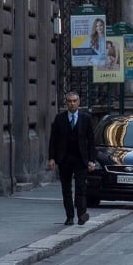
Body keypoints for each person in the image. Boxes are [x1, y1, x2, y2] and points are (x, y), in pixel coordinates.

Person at [48, 91, 96, 226]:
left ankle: (82, 214)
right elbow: (53, 140)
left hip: (81, 158)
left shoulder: (86, 118)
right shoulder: (60, 119)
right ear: (66, 103)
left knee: (81, 187)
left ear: (79, 102)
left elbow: (91, 141)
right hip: (64, 158)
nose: (72, 103)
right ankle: (69, 216)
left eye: (74, 101)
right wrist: (51, 158)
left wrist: (92, 160)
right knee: (66, 189)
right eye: (69, 101)